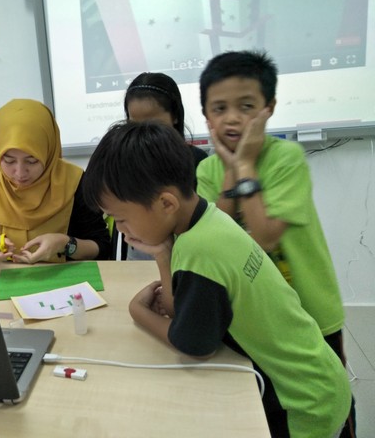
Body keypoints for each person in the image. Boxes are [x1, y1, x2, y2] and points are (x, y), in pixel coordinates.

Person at [82, 120, 352, 437]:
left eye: (121, 219)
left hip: (303, 405)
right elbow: (181, 312)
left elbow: (195, 345)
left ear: (166, 203)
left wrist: (137, 311)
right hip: (319, 376)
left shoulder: (199, 251)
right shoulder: (207, 221)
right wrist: (163, 254)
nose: (121, 229)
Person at [196, 49, 355, 437]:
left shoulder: (287, 159)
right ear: (206, 116)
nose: (232, 118)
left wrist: (244, 164)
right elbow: (218, 231)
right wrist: (231, 169)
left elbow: (265, 236)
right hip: (260, 317)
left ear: (269, 108)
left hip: (311, 310)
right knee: (273, 404)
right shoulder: (206, 170)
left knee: (328, 400)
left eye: (246, 106)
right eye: (220, 108)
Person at [0, 98, 111, 264]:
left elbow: (102, 246)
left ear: (48, 152)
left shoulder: (74, 180)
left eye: (32, 161)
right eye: (9, 161)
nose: (20, 172)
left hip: (62, 275)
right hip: (5, 275)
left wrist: (65, 244)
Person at [123, 72, 208, 260]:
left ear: (175, 116)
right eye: (134, 124)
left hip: (188, 258)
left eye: (153, 124)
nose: (143, 134)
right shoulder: (125, 163)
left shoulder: (197, 161)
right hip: (139, 261)